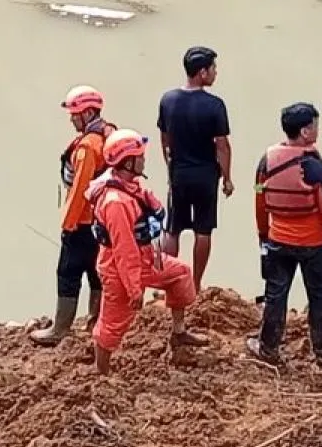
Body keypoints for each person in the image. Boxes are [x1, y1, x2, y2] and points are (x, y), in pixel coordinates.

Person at [87, 128, 210, 374]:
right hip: (119, 269)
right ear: (127, 161)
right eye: (140, 156)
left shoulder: (129, 186)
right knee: (114, 321)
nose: (144, 159)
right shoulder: (116, 203)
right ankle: (101, 371)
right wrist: (134, 288)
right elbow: (124, 249)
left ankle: (179, 334)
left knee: (181, 274)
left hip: (145, 258)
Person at [246, 103, 322, 364]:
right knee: (319, 297)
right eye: (315, 125)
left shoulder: (266, 162)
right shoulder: (317, 169)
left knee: (275, 296)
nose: (318, 130)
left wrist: (263, 234)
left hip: (277, 241)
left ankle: (268, 348)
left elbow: (259, 197)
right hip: (313, 245)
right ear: (305, 132)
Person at [31, 85, 117, 346]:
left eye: (75, 113)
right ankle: (96, 319)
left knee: (68, 271)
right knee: (96, 270)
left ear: (88, 112)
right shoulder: (108, 134)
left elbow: (80, 189)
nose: (71, 119)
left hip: (83, 221)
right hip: (103, 218)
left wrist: (68, 224)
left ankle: (60, 328)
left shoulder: (88, 147)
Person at [156, 46, 233, 291]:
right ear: (202, 72)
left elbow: (164, 139)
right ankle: (195, 284)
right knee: (203, 229)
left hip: (179, 172)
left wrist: (170, 166)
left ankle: (171, 282)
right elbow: (222, 146)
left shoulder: (168, 100)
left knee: (173, 229)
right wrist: (227, 178)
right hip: (206, 175)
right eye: (213, 69)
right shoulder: (215, 105)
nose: (215, 73)